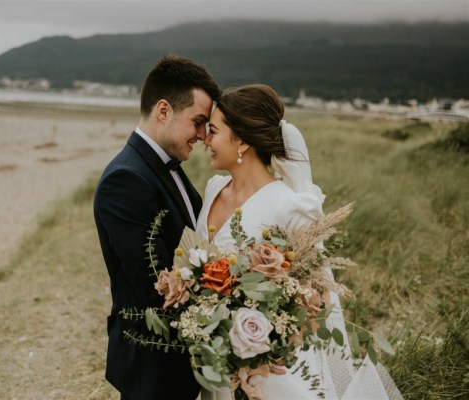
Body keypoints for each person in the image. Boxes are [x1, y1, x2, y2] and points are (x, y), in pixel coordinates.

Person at [197, 84, 403, 399]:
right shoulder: (213, 188)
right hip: (216, 355)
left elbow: (318, 294)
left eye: (213, 131)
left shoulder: (288, 205)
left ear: (240, 140)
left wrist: (271, 347)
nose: (206, 140)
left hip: (266, 368)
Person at [93, 54, 221, 400]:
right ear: (163, 111)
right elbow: (157, 285)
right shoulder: (126, 179)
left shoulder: (169, 165)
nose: (201, 135)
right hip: (152, 361)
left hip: (178, 354)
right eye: (197, 122)